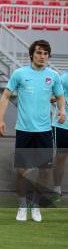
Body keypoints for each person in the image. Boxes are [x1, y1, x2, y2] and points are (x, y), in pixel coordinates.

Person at [0, 40, 64, 223]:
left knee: (44, 171)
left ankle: (35, 206)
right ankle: (22, 206)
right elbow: (5, 95)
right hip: (24, 130)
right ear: (32, 54)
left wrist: (62, 111)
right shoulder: (20, 74)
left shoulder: (53, 76)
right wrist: (0, 119)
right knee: (20, 171)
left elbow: (59, 96)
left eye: (45, 54)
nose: (42, 56)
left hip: (44, 131)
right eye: (39, 53)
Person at [51, 69, 68, 203]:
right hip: (63, 123)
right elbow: (52, 96)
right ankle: (57, 188)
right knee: (61, 155)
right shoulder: (62, 77)